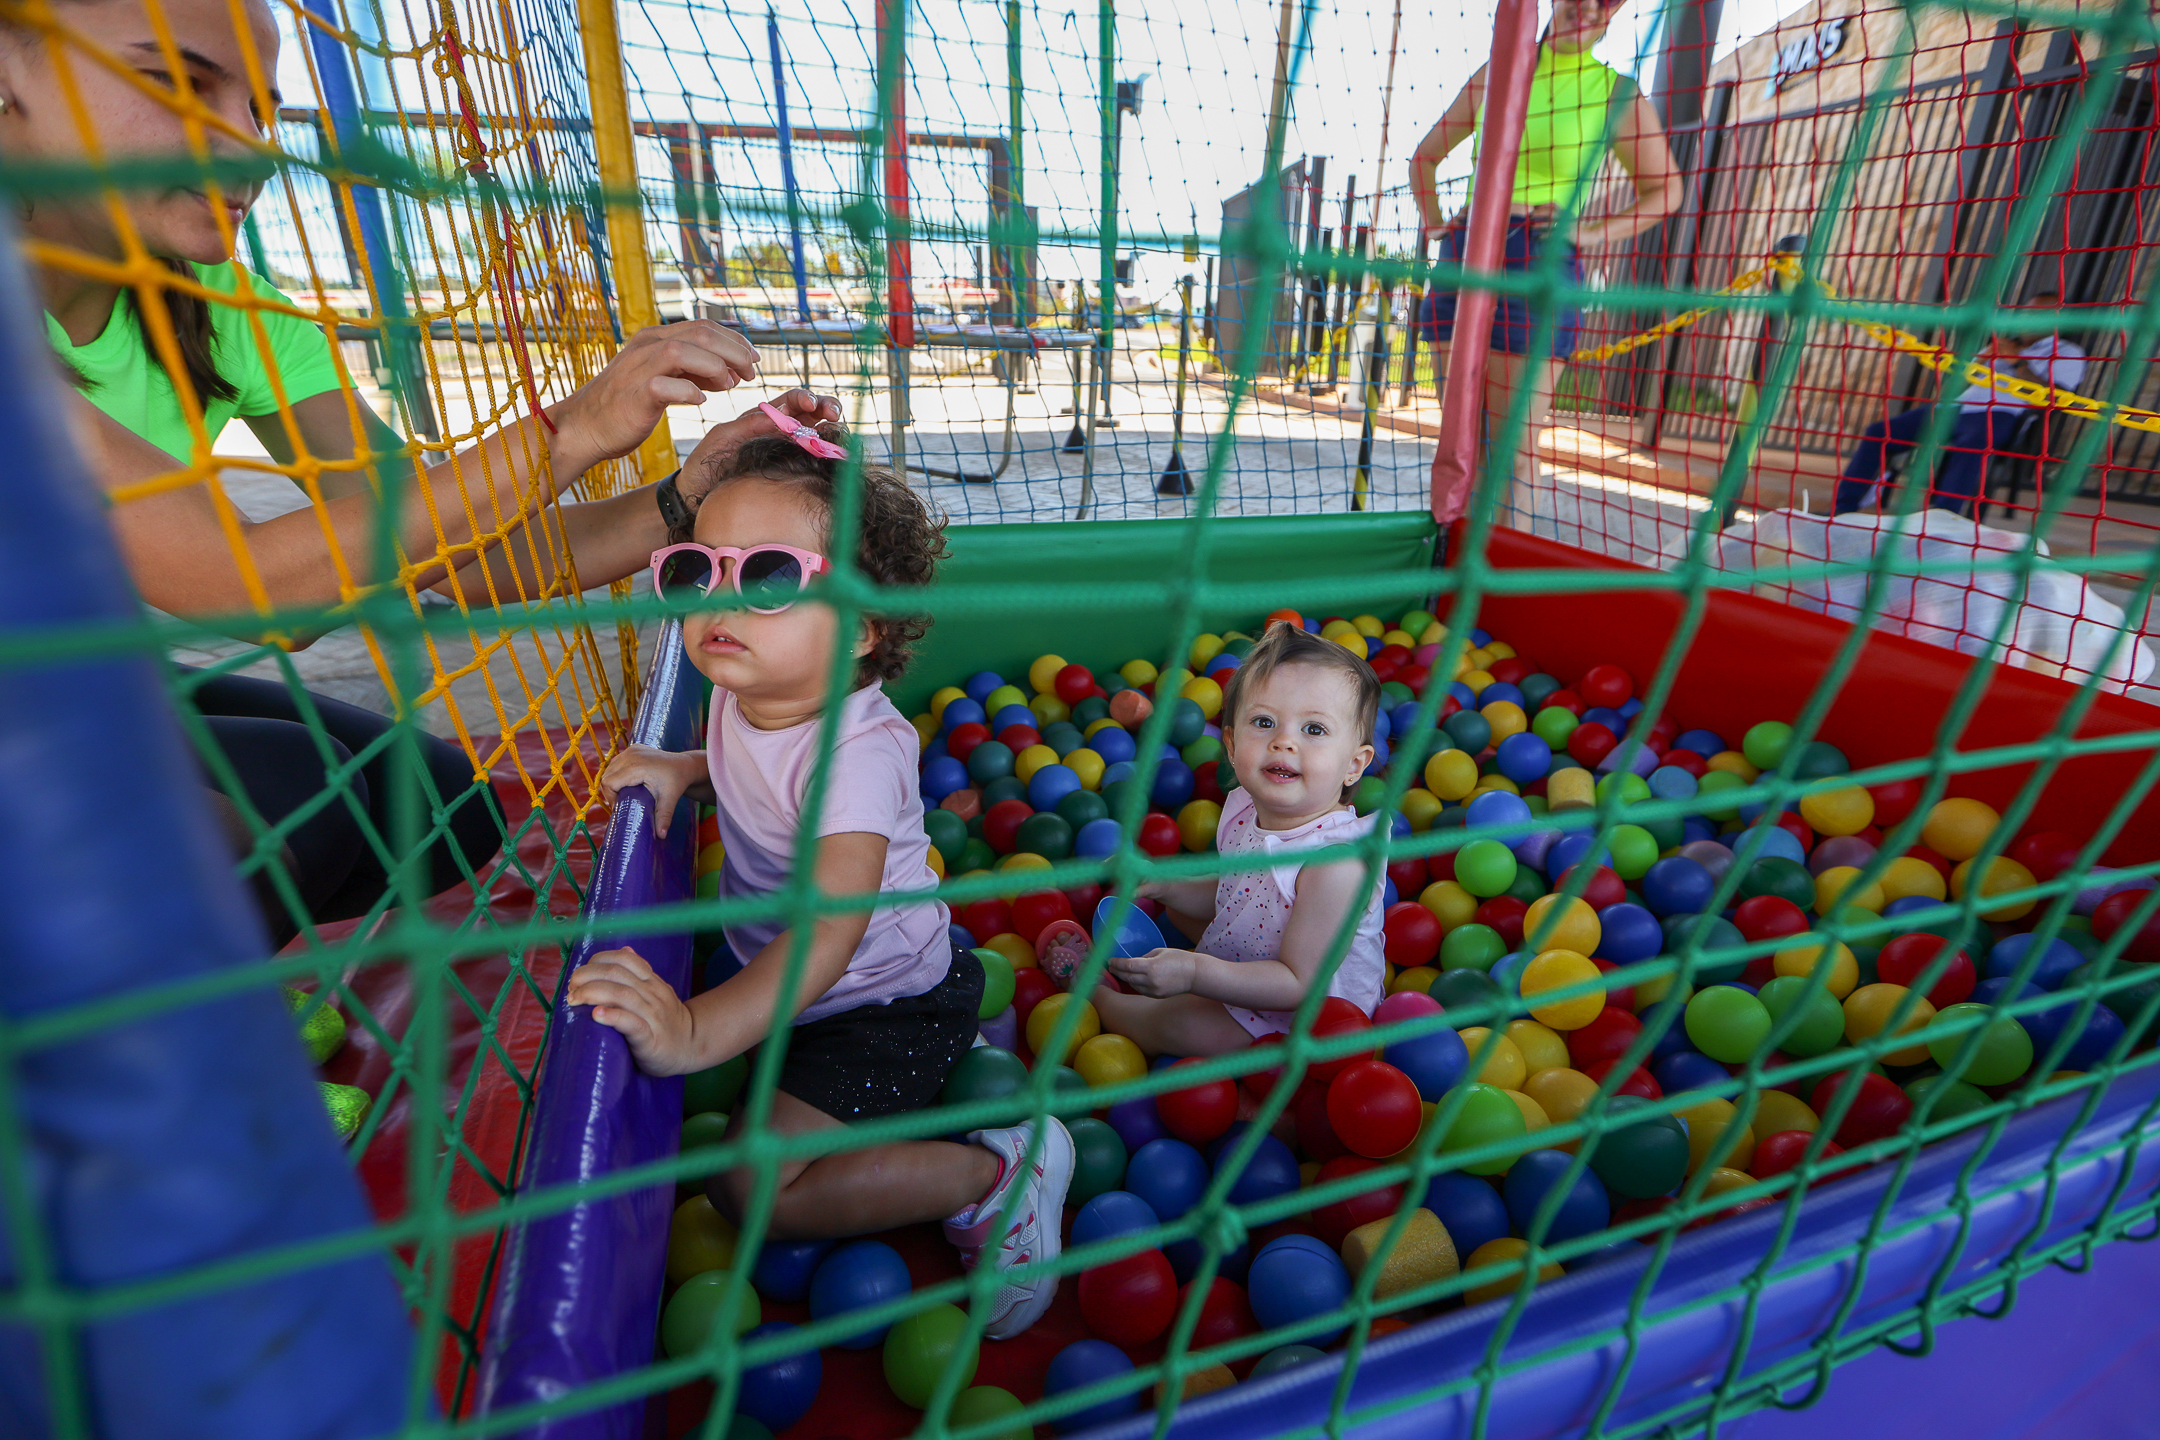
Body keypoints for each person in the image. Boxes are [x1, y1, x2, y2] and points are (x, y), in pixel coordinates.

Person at [2, 0, 835, 942]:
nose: (246, 146)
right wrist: (571, 428)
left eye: (261, 110)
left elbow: (464, 555)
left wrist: (687, 497)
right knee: (274, 817)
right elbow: (250, 586)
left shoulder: (224, 307)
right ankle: (144, 1013)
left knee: (436, 808)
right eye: (177, 84)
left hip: (74, 676)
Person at [563, 427, 1074, 1340]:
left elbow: (830, 933)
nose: (723, 600)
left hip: (880, 1005)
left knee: (750, 1189)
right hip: (801, 986)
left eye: (768, 576)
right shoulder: (746, 691)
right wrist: (688, 769)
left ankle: (998, 1173)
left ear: (863, 624)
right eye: (697, 569)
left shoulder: (857, 753)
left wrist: (696, 1031)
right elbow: (761, 777)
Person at [1409, 0, 1682, 526]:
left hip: (1538, 263)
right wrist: (1438, 225)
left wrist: (1591, 231)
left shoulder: (1616, 93)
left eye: (1606, 0)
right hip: (1462, 260)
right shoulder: (1498, 71)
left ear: (1616, 12)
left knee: (1512, 452)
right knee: (1461, 447)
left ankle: (1500, 576)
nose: (1588, 6)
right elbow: (1424, 157)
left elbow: (1666, 189)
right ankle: (1454, 567)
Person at [1092, 623, 1387, 1057]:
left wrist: (1195, 972)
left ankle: (1097, 999)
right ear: (1231, 745)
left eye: (1314, 729)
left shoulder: (1335, 864)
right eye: (1264, 722)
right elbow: (1237, 891)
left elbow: (1298, 984)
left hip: (1305, 1018)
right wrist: (1164, 884)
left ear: (1354, 766)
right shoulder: (1245, 809)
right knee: (1181, 913)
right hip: (1253, 957)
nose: (1284, 741)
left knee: (1183, 1026)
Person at [1834, 294, 2088, 518]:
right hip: (1957, 408)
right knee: (1879, 432)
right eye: (2026, 311)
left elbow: (2056, 398)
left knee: (1972, 444)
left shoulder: (2068, 352)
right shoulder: (2002, 343)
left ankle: (1943, 521)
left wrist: (2017, 361)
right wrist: (1981, 359)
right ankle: (1843, 508)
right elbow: (1955, 387)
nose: (2027, 317)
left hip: (2001, 413)